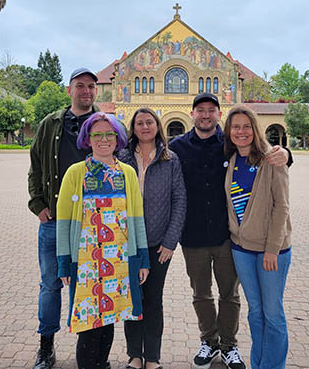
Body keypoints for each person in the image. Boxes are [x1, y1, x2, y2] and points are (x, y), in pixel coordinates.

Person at [169, 93, 292, 369]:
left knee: (230, 294)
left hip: (228, 237)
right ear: (192, 114)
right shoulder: (177, 146)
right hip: (193, 236)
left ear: (217, 115)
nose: (205, 115)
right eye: (200, 110)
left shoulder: (228, 145)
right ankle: (208, 340)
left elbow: (263, 151)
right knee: (201, 294)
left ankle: (229, 346)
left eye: (211, 110)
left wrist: (286, 153)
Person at [56, 112, 150, 368]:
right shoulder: (76, 173)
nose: (104, 139)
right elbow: (63, 223)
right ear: (88, 139)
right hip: (86, 264)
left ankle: (102, 364)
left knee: (109, 318)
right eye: (97, 134)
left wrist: (142, 259)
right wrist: (64, 263)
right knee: (88, 325)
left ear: (118, 139)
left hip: (118, 262)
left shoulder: (128, 173)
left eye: (109, 134)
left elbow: (137, 218)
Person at [28, 68, 100, 369]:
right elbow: (35, 165)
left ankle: (88, 351)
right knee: (50, 285)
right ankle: (46, 347)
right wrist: (38, 204)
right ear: (69, 90)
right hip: (55, 221)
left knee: (87, 286)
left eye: (91, 86)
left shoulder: (104, 124)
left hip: (92, 223)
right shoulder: (50, 124)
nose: (86, 91)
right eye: (80, 86)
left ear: (97, 91)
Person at [117, 108, 187, 369]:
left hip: (159, 243)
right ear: (133, 128)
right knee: (133, 298)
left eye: (149, 122)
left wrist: (170, 241)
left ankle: (153, 358)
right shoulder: (121, 158)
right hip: (129, 243)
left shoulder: (171, 159)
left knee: (153, 300)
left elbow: (180, 200)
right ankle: (135, 356)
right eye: (140, 123)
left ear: (157, 126)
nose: (145, 127)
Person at [223, 105, 292, 369]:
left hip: (271, 250)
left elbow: (281, 206)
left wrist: (272, 249)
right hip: (242, 249)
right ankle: (259, 363)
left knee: (273, 314)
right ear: (229, 132)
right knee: (256, 313)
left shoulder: (271, 159)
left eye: (246, 126)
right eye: (235, 127)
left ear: (255, 128)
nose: (241, 132)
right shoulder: (230, 161)